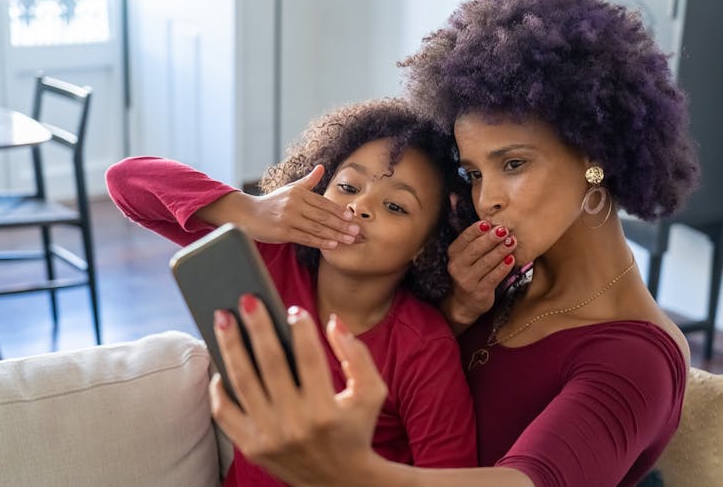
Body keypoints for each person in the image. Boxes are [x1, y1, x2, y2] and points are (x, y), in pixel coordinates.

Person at [206, 0, 700, 486]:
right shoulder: (497, 285)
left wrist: (344, 469)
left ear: (595, 154)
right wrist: (459, 311)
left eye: (513, 164)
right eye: (475, 174)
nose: (488, 201)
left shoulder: (636, 355)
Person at [106, 98, 482, 486]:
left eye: (396, 207)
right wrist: (247, 211)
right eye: (348, 186)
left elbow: (450, 477)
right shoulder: (263, 258)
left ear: (428, 244)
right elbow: (124, 180)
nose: (360, 206)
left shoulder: (424, 348)